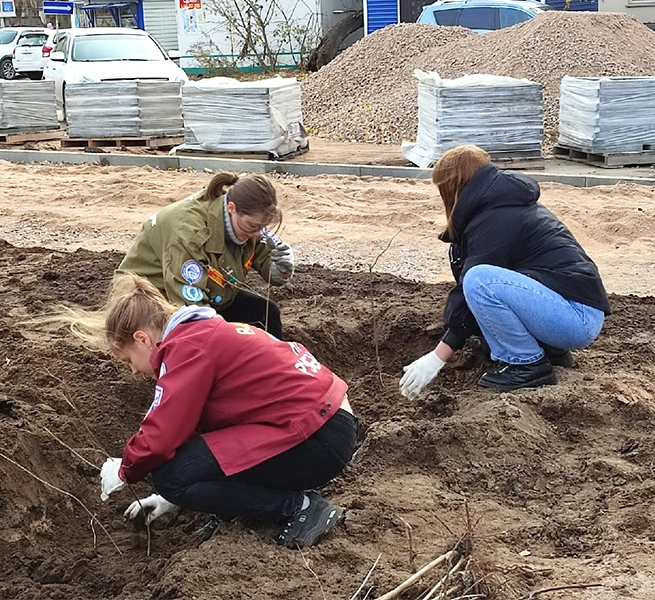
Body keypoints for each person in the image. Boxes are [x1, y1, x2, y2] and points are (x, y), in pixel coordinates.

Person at [66, 273, 356, 548]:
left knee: (172, 476)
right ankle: (245, 507)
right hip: (324, 423)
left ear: (142, 339)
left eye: (128, 359)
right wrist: (169, 499)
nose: (133, 371)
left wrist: (126, 469)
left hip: (319, 436)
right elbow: (195, 436)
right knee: (180, 472)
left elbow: (164, 433)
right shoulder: (201, 333)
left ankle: (301, 508)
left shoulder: (187, 348)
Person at [400, 144, 611, 396]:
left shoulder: (497, 217)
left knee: (479, 280)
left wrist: (438, 357)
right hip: (570, 312)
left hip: (576, 318)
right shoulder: (501, 205)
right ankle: (549, 350)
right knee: (484, 300)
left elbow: (471, 288)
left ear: (454, 186)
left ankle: (528, 363)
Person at [116, 172, 294, 340]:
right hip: (149, 301)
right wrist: (226, 336)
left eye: (263, 227)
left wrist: (280, 268)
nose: (258, 234)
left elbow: (267, 262)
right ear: (232, 208)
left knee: (265, 313)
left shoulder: (245, 222)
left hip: (212, 294)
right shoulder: (189, 232)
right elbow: (189, 305)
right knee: (215, 340)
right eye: (253, 227)